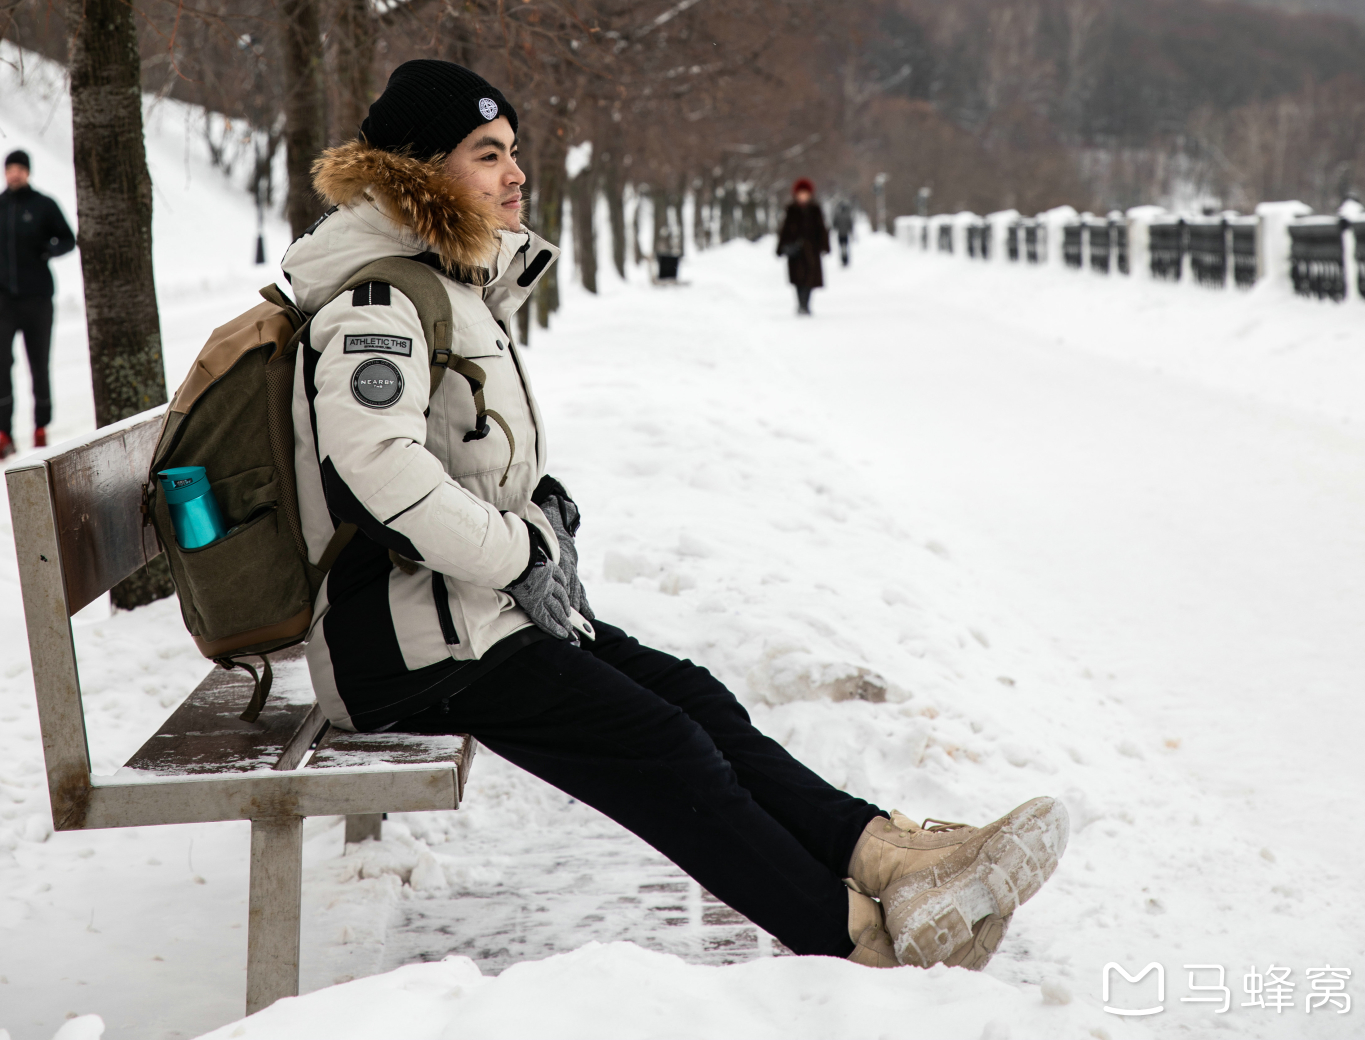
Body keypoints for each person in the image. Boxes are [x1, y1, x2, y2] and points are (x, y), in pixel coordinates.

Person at [285, 61, 1068, 969]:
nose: (515, 173)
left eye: (513, 152)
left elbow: (461, 454)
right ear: (419, 172)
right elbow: (379, 472)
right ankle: (857, 941)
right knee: (661, 746)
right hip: (408, 651)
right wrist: (514, 554)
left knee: (694, 698)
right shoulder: (377, 302)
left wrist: (540, 516)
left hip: (466, 615)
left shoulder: (442, 284)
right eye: (486, 153)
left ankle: (890, 859)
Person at [0, 148, 76, 458]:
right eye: (10, 168)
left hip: (38, 300)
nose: (15, 173)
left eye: (20, 168)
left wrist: (48, 249)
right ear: (5, 173)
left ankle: (41, 428)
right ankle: (4, 433)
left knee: (39, 365)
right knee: (2, 365)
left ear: (28, 172)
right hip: (3, 302)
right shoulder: (0, 206)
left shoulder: (44, 206)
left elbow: (68, 239)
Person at [776, 176, 830, 315]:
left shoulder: (815, 209)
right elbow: (785, 230)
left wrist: (825, 245)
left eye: (805, 193)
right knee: (797, 279)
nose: (803, 196)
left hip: (812, 250)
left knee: (810, 278)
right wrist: (781, 247)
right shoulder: (791, 210)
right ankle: (800, 303)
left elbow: (821, 228)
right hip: (795, 251)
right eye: (801, 193)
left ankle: (806, 304)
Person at [832, 197, 854, 268]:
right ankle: (846, 260)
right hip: (845, 234)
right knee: (845, 247)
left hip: (840, 234)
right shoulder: (847, 215)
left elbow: (834, 224)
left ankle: (843, 260)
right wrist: (850, 230)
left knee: (842, 247)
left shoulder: (837, 215)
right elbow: (850, 224)